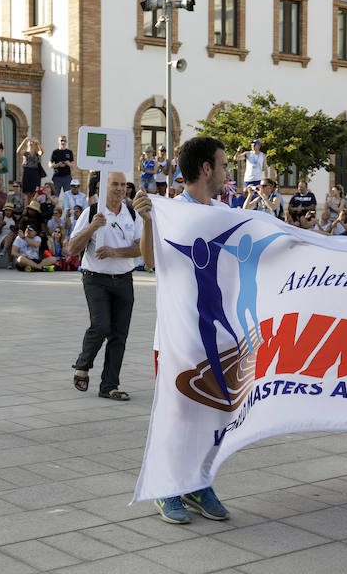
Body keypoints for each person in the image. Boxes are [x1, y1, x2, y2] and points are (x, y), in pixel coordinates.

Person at [132, 136, 231, 525]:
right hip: (177, 337)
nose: (227, 173)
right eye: (223, 165)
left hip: (219, 338)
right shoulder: (170, 211)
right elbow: (150, 260)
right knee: (176, 413)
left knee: (217, 417)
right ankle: (167, 488)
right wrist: (147, 221)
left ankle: (198, 482)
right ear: (206, 168)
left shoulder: (224, 212)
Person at [67, 171, 142, 401]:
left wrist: (115, 252)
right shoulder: (91, 212)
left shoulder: (132, 213)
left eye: (123, 185)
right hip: (95, 278)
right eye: (115, 185)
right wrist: (91, 228)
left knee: (119, 335)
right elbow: (72, 249)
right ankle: (83, 364)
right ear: (101, 188)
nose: (120, 189)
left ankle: (109, 385)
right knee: (100, 326)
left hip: (124, 279)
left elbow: (142, 249)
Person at [17, 137, 43, 203]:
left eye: (33, 142)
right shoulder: (25, 153)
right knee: (27, 192)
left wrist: (38, 143)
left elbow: (42, 152)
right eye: (30, 141)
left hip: (35, 172)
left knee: (34, 191)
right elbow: (18, 151)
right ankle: (27, 206)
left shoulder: (37, 153)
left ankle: (33, 204)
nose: (32, 143)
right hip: (27, 171)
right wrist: (24, 141)